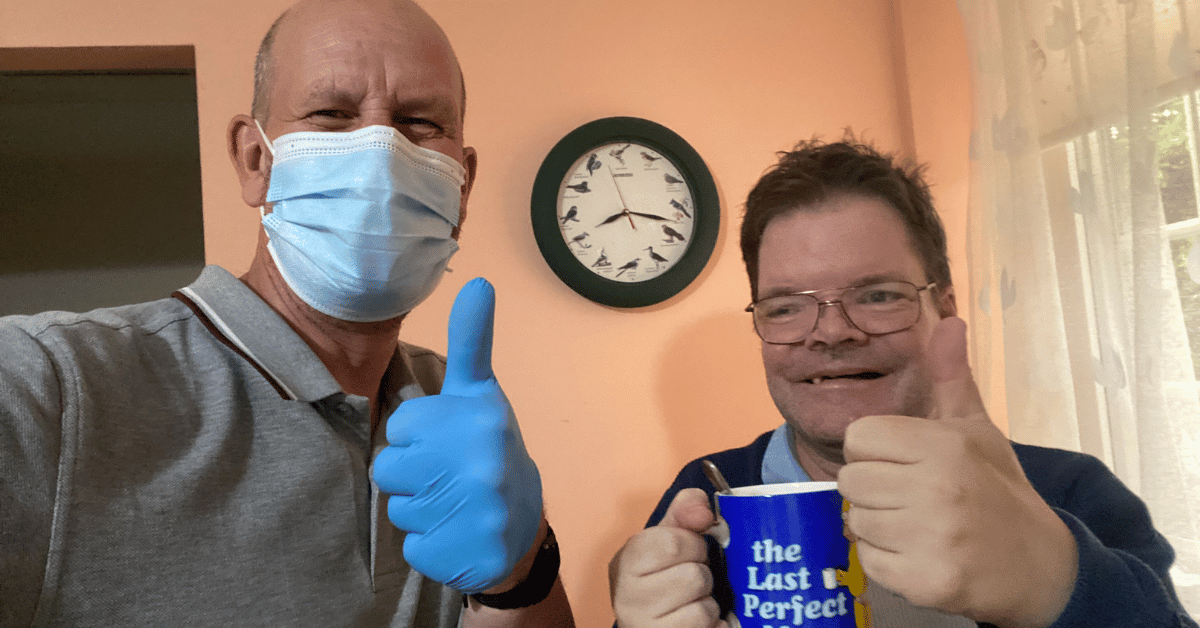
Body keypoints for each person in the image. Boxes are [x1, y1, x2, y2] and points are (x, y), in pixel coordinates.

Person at [0, 1, 574, 626]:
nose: (379, 151)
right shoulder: (51, 384)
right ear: (254, 160)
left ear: (461, 185)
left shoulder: (451, 403)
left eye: (419, 123)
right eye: (331, 114)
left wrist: (522, 572)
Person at [608, 136, 1197, 628]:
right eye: (786, 306)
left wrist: (1061, 580)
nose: (832, 331)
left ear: (944, 307)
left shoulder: (1068, 492)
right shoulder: (706, 495)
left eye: (879, 295)